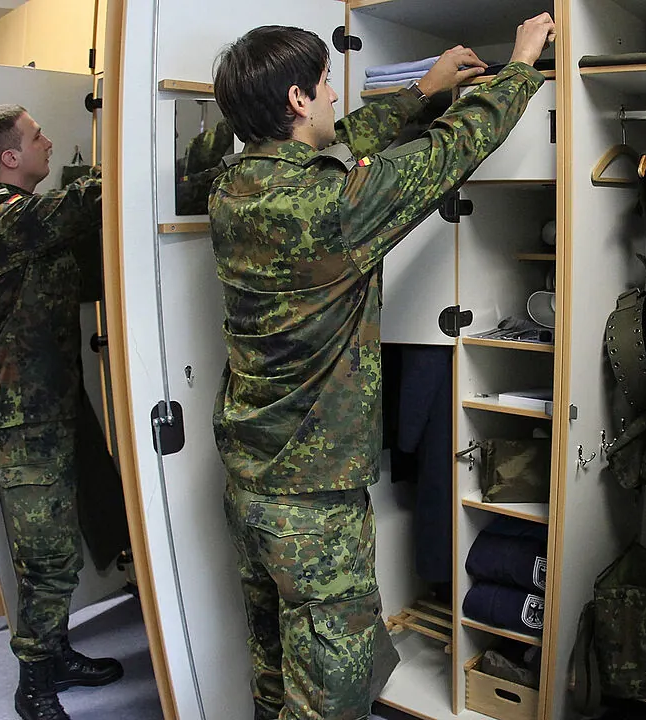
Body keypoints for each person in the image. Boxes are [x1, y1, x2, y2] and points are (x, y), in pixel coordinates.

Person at [209, 13, 556, 720]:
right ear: (299, 101)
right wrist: (520, 64)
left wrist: (422, 88)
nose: (338, 97)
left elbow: (341, 150)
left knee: (276, 661)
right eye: (327, 85)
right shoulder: (334, 206)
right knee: (330, 685)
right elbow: (454, 148)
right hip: (311, 499)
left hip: (250, 477)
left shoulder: (234, 189)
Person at [0, 104, 122, 720]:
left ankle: (55, 653)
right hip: (22, 417)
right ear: (10, 158)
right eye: (36, 137)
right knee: (47, 555)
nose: (48, 143)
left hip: (52, 404)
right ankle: (34, 684)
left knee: (65, 542)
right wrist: (129, 156)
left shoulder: (30, 224)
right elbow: (83, 206)